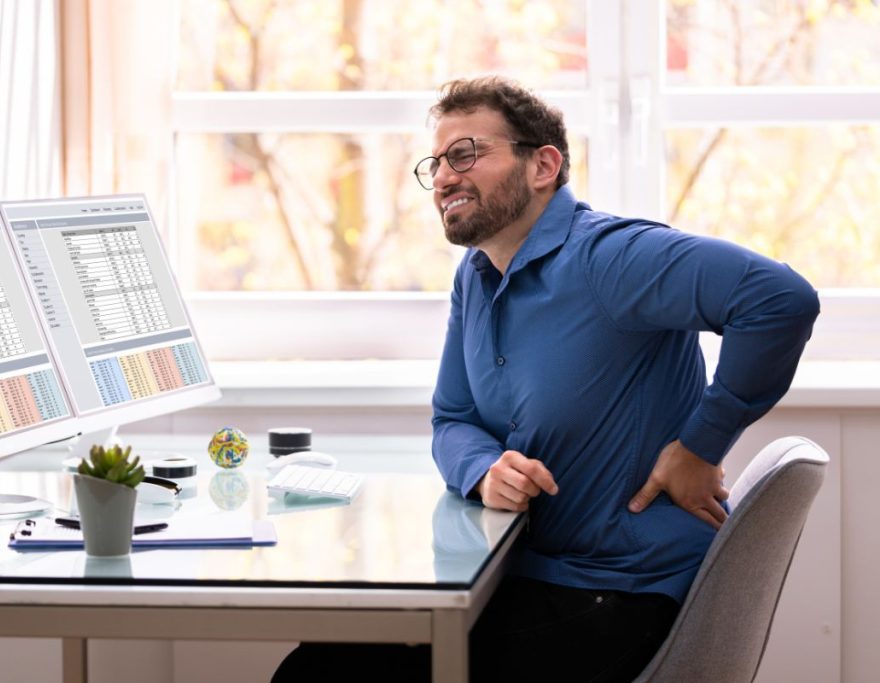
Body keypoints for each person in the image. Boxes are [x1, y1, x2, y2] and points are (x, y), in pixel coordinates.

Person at [274, 75, 819, 683]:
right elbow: (453, 418)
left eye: (466, 154)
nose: (445, 177)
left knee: (321, 673)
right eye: (436, 163)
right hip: (531, 577)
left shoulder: (613, 258)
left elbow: (780, 299)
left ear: (543, 166)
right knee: (324, 656)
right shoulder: (476, 275)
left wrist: (701, 445)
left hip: (620, 594)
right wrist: (485, 470)